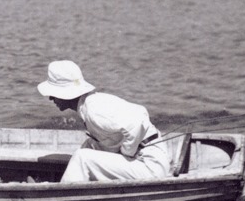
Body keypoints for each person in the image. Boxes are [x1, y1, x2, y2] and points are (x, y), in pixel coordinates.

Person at [38, 60, 171, 182]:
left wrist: (127, 153)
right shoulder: (90, 104)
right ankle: (69, 186)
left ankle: (61, 197)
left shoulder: (93, 110)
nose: (50, 98)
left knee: (82, 157)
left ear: (65, 93)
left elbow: (139, 121)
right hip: (149, 159)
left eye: (53, 93)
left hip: (150, 166)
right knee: (90, 146)